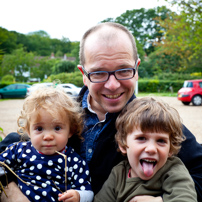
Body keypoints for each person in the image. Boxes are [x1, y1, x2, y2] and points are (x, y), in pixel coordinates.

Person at [0, 22, 202, 202]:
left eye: (124, 70)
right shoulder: (60, 113)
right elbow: (10, 147)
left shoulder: (151, 121)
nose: (113, 85)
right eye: (99, 73)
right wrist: (10, 191)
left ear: (137, 69)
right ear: (84, 75)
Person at [94, 97, 197, 202]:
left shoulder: (173, 170)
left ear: (170, 149)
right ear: (123, 145)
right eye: (141, 138)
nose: (151, 149)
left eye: (161, 141)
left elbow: (186, 198)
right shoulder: (118, 173)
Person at [0, 87, 93, 202]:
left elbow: (88, 192)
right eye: (39, 128)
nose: (48, 136)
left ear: (71, 131)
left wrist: (79, 196)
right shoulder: (19, 150)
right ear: (28, 131)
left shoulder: (74, 162)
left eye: (57, 128)